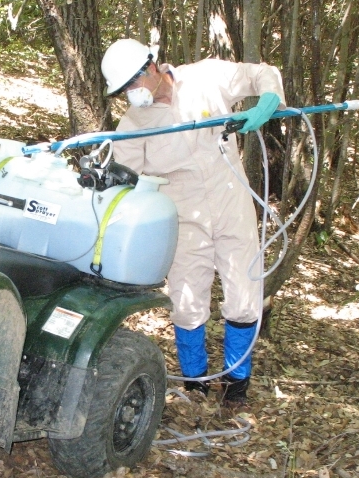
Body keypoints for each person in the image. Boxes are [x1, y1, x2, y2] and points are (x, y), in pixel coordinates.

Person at [100, 39, 285, 405]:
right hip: (183, 215)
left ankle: (236, 387)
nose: (129, 96)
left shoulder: (206, 77)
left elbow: (261, 73)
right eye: (122, 91)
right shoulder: (132, 125)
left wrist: (268, 100)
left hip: (231, 200)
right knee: (186, 300)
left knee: (245, 295)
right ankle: (195, 384)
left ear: (150, 68)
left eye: (130, 85)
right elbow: (127, 181)